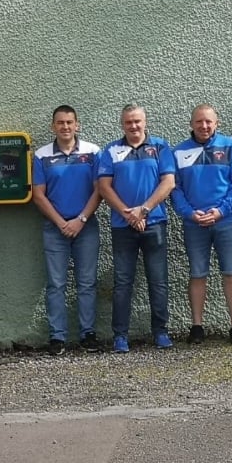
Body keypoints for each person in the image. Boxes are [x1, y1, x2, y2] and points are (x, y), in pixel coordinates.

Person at [97, 104, 175, 353]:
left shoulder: (160, 147)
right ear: (122, 124)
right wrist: (128, 213)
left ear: (145, 121)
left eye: (138, 121)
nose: (134, 126)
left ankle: (161, 332)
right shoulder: (111, 150)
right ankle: (120, 336)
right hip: (122, 225)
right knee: (122, 282)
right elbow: (104, 187)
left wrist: (144, 210)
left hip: (154, 223)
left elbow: (168, 183)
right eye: (129, 122)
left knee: (158, 281)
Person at [172, 104, 232, 346]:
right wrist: (190, 213)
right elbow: (175, 189)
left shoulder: (230, 146)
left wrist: (220, 211)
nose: (204, 126)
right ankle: (197, 326)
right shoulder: (179, 152)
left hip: (226, 220)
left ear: (217, 123)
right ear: (191, 124)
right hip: (194, 223)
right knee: (197, 274)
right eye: (199, 122)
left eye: (209, 122)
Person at [32, 105, 102, 355]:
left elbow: (99, 189)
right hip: (55, 228)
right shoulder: (41, 156)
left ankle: (88, 334)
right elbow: (39, 196)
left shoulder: (93, 152)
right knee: (56, 284)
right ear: (53, 126)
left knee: (87, 283)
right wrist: (62, 223)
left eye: (69, 122)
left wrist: (80, 219)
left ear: (77, 125)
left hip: (86, 226)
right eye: (60, 123)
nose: (65, 127)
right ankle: (57, 337)